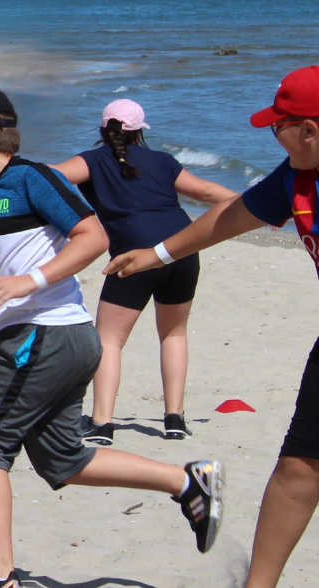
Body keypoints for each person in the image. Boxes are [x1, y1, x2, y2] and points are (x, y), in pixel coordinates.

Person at [0, 88, 221, 588]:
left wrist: (31, 281)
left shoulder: (33, 178)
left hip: (47, 333)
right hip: (54, 342)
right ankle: (186, 481)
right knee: (64, 458)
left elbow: (94, 236)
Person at [106, 66, 319, 588]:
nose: (275, 137)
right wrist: (156, 255)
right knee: (299, 466)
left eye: (279, 127)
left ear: (309, 129)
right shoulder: (296, 177)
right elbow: (231, 217)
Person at [50, 99, 236, 446]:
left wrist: (4, 172)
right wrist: (259, 206)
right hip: (181, 250)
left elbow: (49, 176)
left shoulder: (92, 160)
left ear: (103, 129)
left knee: (109, 340)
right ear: (140, 132)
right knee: (174, 334)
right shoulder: (164, 161)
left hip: (134, 256)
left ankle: (102, 423)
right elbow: (209, 192)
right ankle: (175, 419)